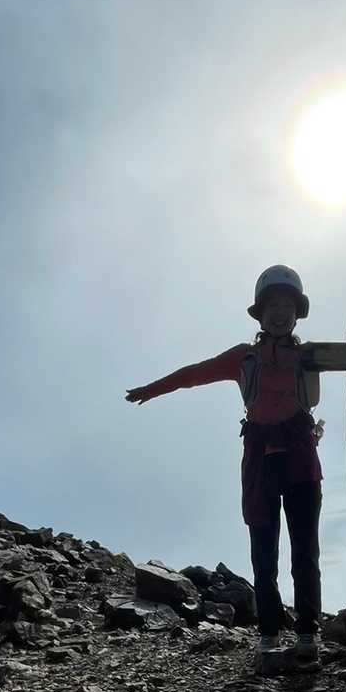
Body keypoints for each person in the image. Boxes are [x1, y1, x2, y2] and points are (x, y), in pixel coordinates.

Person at [126, 265, 324, 659]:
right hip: (260, 464)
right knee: (263, 556)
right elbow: (195, 374)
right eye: (272, 305)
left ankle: (307, 635)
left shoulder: (311, 355)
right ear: (260, 313)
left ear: (297, 313)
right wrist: (153, 389)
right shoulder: (243, 358)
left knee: (305, 552)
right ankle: (269, 636)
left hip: (301, 461)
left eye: (287, 306)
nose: (280, 313)